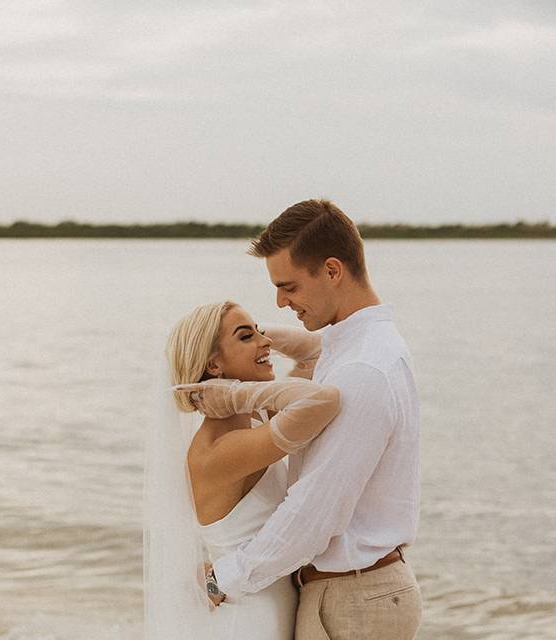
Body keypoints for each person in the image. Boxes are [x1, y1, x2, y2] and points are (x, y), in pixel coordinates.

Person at [207, 199, 423, 639]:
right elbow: (318, 351)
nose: (281, 301)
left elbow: (314, 511)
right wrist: (256, 342)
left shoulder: (362, 370)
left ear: (331, 271)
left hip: (353, 601)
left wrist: (225, 578)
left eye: (289, 287)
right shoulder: (360, 346)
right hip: (355, 594)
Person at [146, 299, 341, 639]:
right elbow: (323, 401)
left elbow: (317, 352)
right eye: (245, 337)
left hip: (273, 608)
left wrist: (254, 336)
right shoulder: (218, 451)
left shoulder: (255, 423)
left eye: (259, 333)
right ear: (214, 365)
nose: (265, 342)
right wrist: (239, 395)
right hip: (251, 621)